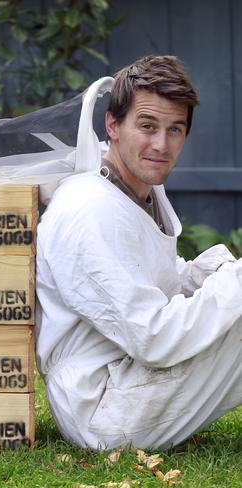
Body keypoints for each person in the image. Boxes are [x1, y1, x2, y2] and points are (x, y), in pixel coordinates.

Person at [36, 55, 242, 450]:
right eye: (147, 126)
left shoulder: (134, 187)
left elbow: (151, 280)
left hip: (128, 380)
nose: (161, 145)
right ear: (113, 125)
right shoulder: (88, 209)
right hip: (103, 410)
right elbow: (153, 337)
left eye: (175, 129)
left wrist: (214, 272)